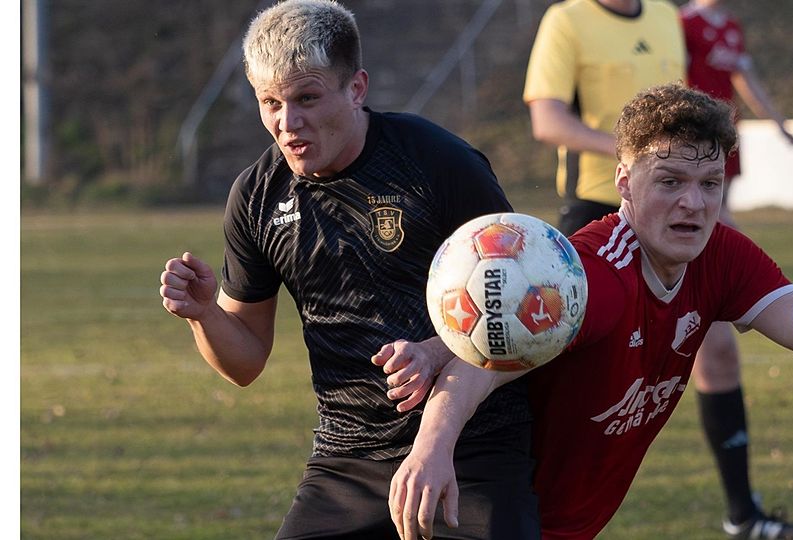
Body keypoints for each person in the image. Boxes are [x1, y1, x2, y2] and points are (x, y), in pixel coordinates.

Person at [386, 84, 793, 540]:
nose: (693, 203)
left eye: (710, 183)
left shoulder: (723, 256)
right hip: (496, 516)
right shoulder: (596, 276)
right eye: (670, 181)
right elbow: (487, 360)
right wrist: (432, 446)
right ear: (624, 182)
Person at [158, 1, 539, 538]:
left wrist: (433, 353)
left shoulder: (438, 163)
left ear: (356, 88)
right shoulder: (257, 196)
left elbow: (521, 318)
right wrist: (203, 315)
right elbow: (243, 361)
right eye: (270, 102)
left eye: (307, 98)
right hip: (348, 458)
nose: (287, 124)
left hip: (473, 446)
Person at [680, 2, 793, 537]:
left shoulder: (729, 25)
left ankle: (741, 513)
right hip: (689, 153)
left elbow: (745, 76)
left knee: (719, 349)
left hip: (719, 147)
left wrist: (778, 121)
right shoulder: (679, 23)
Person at [522, 0, 686, 236]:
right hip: (598, 203)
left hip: (670, 202)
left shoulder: (667, 14)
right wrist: (639, 154)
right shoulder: (566, 19)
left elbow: (686, 110)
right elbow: (548, 122)